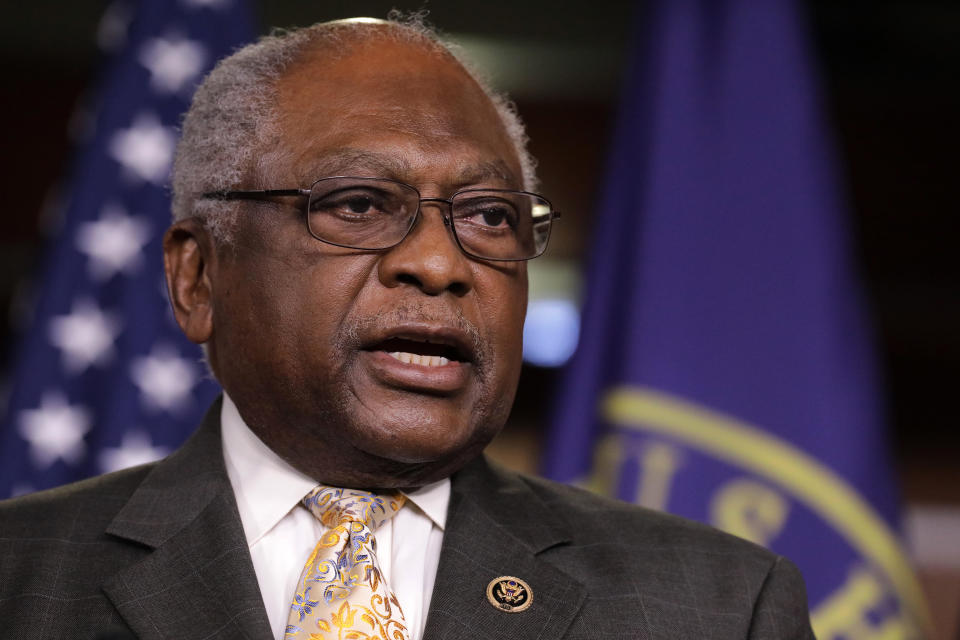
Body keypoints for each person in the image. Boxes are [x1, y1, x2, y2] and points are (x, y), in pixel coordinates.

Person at [0, 17, 815, 640]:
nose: (439, 262)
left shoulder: (716, 606)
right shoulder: (21, 579)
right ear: (198, 278)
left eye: (489, 217)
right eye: (358, 205)